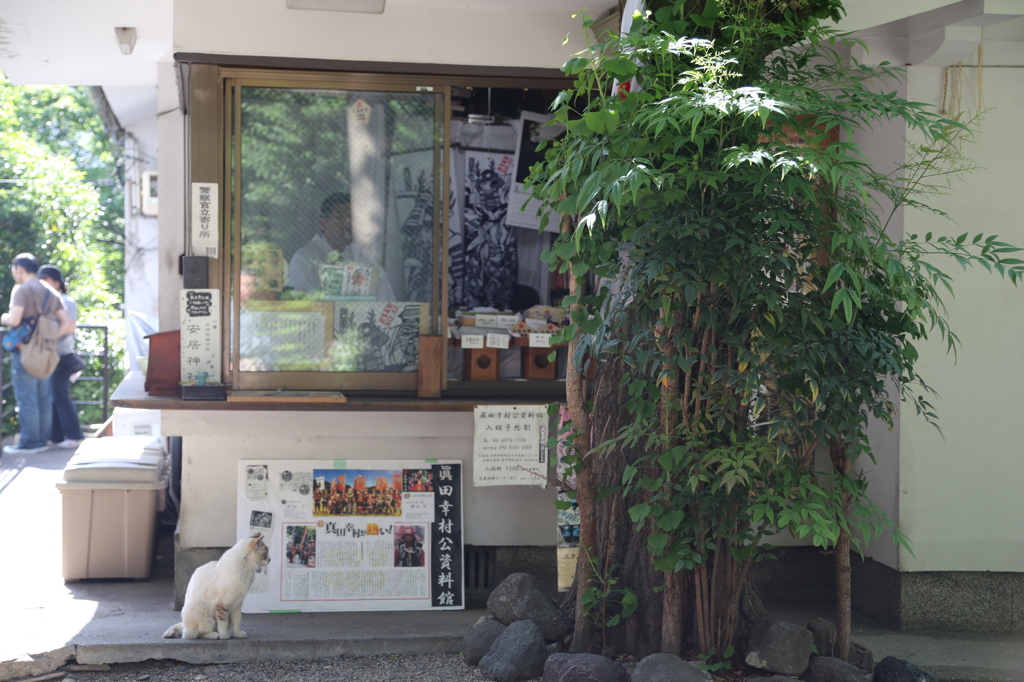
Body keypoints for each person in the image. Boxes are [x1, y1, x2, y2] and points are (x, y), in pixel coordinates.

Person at [1, 254, 74, 455]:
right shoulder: (51, 292)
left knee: (26, 398)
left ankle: (31, 443)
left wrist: (3, 317)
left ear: (19, 270)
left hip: (25, 351)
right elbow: (67, 323)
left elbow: (15, 320)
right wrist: (47, 337)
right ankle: (42, 440)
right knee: (43, 397)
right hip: (48, 352)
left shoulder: (22, 290)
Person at [287, 192, 396, 300]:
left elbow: (383, 291)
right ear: (323, 223)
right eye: (340, 217)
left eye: (352, 218)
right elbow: (309, 302)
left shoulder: (359, 253)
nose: (348, 223)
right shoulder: (305, 258)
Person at [38, 265, 86, 449]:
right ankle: (56, 436)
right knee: (54, 396)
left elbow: (70, 326)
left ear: (57, 282)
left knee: (60, 396)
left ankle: (75, 436)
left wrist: (48, 339)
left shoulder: (66, 301)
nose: (42, 283)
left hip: (61, 356)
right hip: (51, 356)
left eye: (46, 280)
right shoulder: (48, 302)